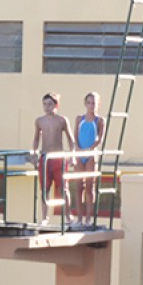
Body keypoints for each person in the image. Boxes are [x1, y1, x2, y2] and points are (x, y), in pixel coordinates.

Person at [32, 92, 76, 225]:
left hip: (58, 158)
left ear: (56, 105)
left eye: (50, 104)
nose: (47, 107)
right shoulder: (39, 121)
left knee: (63, 188)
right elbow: (36, 138)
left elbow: (70, 139)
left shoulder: (62, 120)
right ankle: (45, 217)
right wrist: (34, 154)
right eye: (45, 104)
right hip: (45, 158)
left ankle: (68, 215)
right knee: (44, 188)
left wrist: (72, 156)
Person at [74, 92, 106, 227]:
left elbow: (99, 138)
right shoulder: (79, 119)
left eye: (94, 103)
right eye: (89, 103)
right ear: (85, 103)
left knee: (89, 186)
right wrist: (78, 149)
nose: (91, 105)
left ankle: (88, 218)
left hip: (91, 155)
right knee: (78, 186)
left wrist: (90, 149)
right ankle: (79, 218)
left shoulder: (100, 120)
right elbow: (75, 136)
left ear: (98, 104)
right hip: (79, 154)